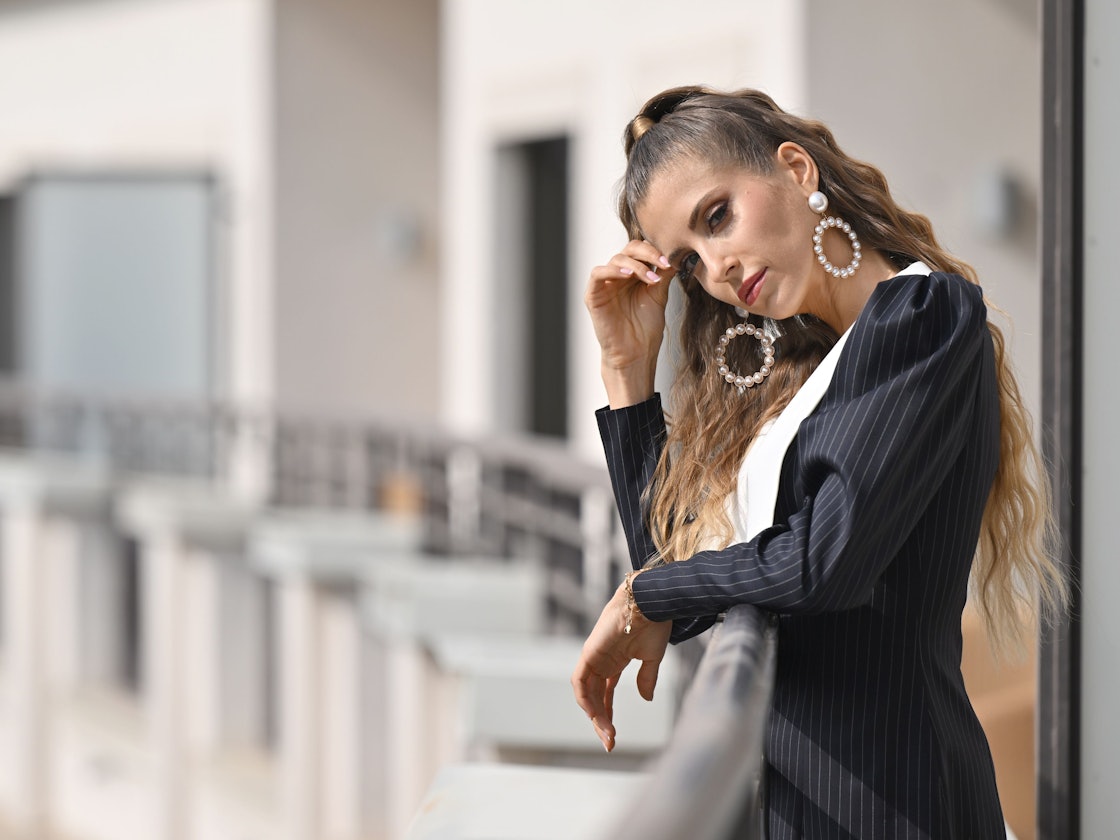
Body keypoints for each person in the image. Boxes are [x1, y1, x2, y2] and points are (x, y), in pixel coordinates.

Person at [570, 86, 1067, 839]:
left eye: (718, 217)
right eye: (689, 262)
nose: (719, 268)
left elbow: (822, 561)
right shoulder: (799, 379)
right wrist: (626, 371)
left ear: (797, 171)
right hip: (801, 810)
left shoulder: (922, 317)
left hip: (899, 805)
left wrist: (648, 594)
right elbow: (683, 587)